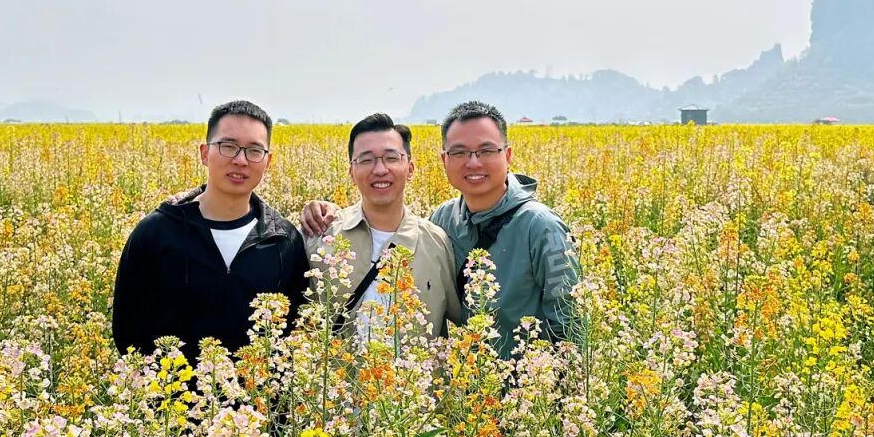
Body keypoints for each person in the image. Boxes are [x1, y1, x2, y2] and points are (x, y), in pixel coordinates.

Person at [302, 101, 578, 358]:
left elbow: (569, 323)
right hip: (468, 384)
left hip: (526, 382)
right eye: (460, 152)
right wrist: (326, 213)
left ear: (507, 155)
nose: (473, 162)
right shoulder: (443, 221)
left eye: (486, 151)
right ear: (445, 160)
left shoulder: (541, 226)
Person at [112, 100, 309, 362]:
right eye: (228, 146)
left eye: (254, 151)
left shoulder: (285, 239)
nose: (240, 160)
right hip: (170, 387)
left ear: (268, 161)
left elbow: (295, 330)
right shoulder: (155, 233)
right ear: (204, 153)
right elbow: (127, 331)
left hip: (257, 388)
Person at [307, 112, 461, 343]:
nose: (380, 169)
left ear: (410, 169)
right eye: (366, 160)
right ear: (351, 172)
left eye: (391, 158)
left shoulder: (438, 243)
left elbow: (462, 322)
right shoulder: (320, 235)